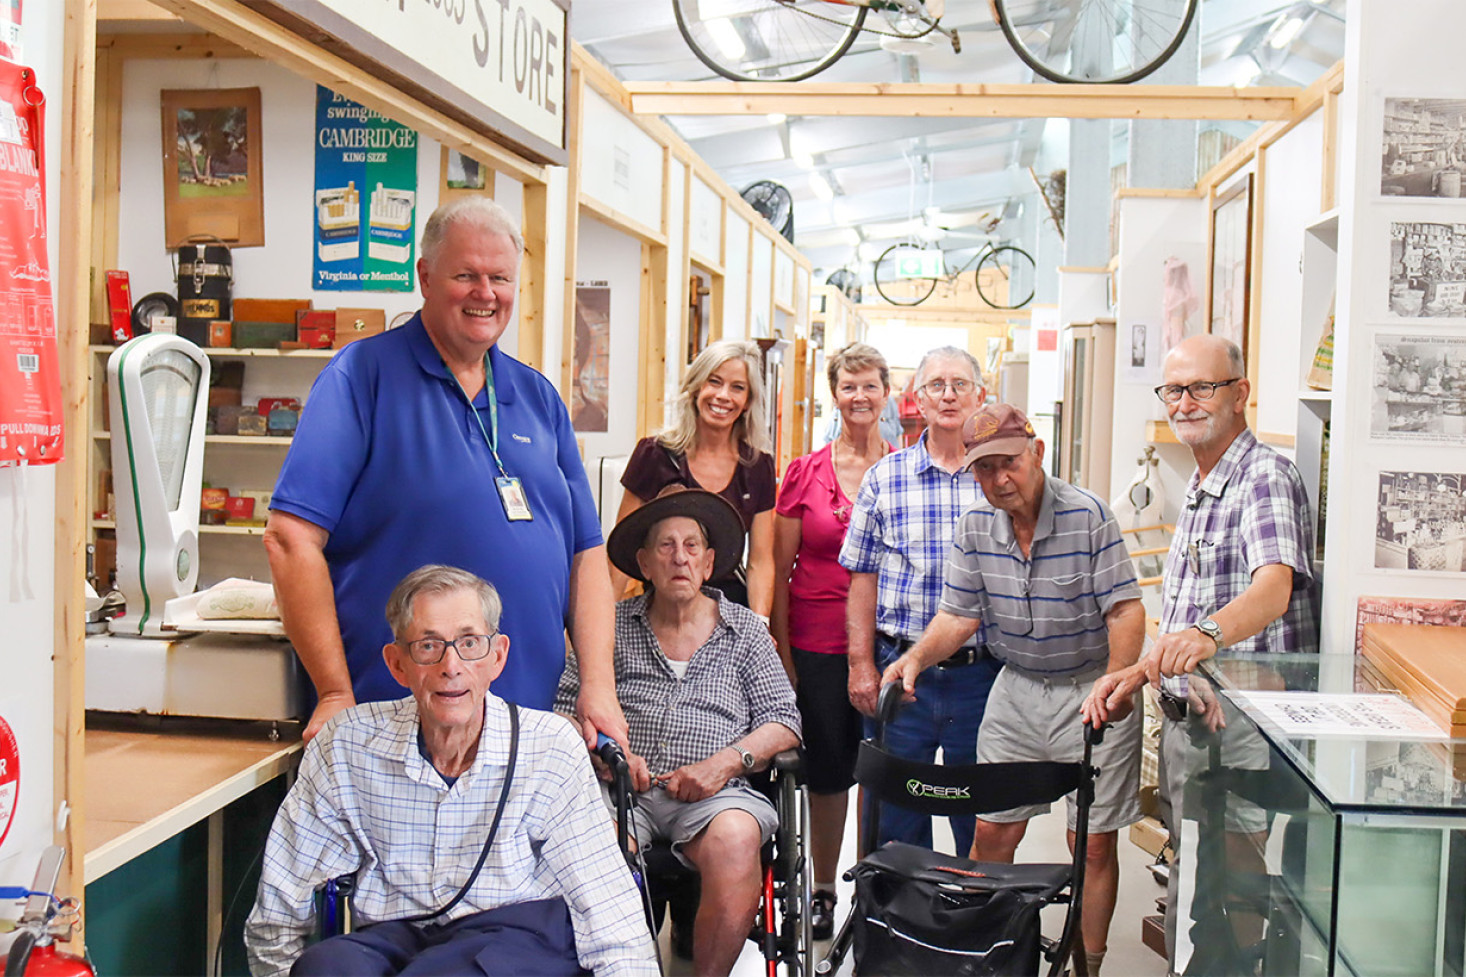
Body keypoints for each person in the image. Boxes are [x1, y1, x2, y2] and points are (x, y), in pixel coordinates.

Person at [264, 197, 624, 749]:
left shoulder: (538, 399)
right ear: (425, 278)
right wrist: (334, 691)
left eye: (500, 278)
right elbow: (290, 538)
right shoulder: (362, 378)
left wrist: (599, 685)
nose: (486, 294)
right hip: (394, 723)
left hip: (524, 729)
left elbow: (586, 551)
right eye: (466, 275)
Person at [244, 566, 656, 977]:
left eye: (470, 643)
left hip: (514, 935)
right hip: (394, 934)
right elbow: (280, 905)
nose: (451, 665)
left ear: (498, 657)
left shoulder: (549, 749)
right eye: (427, 646)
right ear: (397, 664)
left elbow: (607, 908)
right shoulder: (348, 744)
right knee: (324, 968)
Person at [881, 404, 1146, 977]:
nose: (999, 480)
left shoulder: (1088, 516)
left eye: (1010, 463)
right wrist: (916, 658)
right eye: (984, 470)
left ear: (1037, 452)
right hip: (1018, 687)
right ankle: (982, 957)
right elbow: (958, 615)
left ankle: (1088, 965)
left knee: (1093, 843)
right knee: (992, 830)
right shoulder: (977, 526)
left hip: (1092, 685)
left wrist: (1119, 681)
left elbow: (1125, 610)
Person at [1083, 334, 1318, 967]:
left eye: (1201, 388)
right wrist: (1137, 671)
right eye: (1174, 390)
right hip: (1195, 718)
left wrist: (1206, 635)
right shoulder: (1201, 480)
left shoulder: (1264, 476)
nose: (1185, 403)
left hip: (1244, 719)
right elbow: (1188, 618)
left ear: (1240, 393)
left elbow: (1273, 588)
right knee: (1194, 873)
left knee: (1235, 873)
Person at [557, 490, 801, 977]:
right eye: (665, 546)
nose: (679, 557)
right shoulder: (611, 628)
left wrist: (725, 764)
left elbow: (784, 722)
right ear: (644, 563)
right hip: (619, 788)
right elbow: (563, 710)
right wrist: (605, 752)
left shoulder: (746, 631)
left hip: (718, 794)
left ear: (709, 563)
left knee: (736, 839)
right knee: (589, 842)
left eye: (692, 546)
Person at [838, 345, 1003, 855]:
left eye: (960, 384)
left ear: (981, 396)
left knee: (980, 820)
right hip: (901, 673)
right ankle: (896, 929)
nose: (949, 395)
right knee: (894, 818)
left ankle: (972, 926)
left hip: (983, 676)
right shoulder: (885, 479)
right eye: (936, 385)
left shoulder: (1000, 478)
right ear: (917, 399)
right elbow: (862, 577)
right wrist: (860, 664)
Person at [770, 341, 891, 939]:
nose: (860, 397)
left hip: (887, 640)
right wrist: (782, 653)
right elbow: (780, 566)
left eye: (870, 385)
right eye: (850, 386)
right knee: (828, 769)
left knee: (882, 767)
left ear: (886, 394)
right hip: (817, 640)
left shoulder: (901, 470)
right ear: (834, 394)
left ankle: (875, 882)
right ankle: (823, 888)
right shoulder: (803, 473)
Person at [613, 340, 776, 613]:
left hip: (729, 612)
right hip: (661, 609)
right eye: (714, 381)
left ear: (748, 401)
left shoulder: (758, 466)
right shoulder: (653, 454)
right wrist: (603, 626)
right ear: (696, 386)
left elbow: (760, 561)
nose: (723, 396)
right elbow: (621, 552)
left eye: (737, 387)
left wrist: (760, 623)